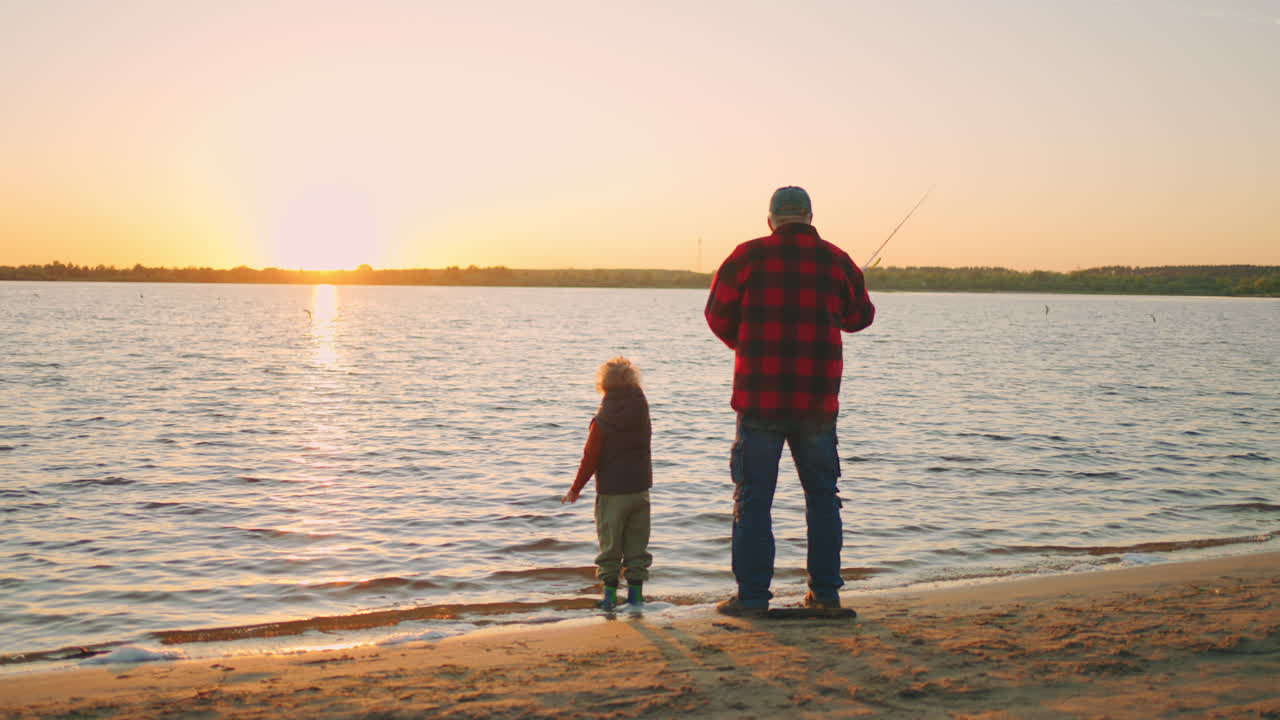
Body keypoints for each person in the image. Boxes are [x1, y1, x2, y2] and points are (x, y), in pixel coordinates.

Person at [704, 186, 875, 617]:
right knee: (822, 497)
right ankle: (826, 595)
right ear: (810, 216)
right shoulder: (836, 259)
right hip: (817, 401)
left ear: (771, 220)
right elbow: (861, 317)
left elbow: (716, 314)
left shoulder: (745, 256)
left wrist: (743, 345)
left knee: (753, 498)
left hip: (759, 399)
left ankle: (753, 598)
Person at [562, 357, 653, 610]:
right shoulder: (642, 411)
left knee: (610, 548)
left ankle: (610, 599)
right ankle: (636, 599)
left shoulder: (603, 420)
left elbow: (590, 459)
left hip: (612, 494)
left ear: (603, 384)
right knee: (637, 547)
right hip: (640, 491)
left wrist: (575, 489)